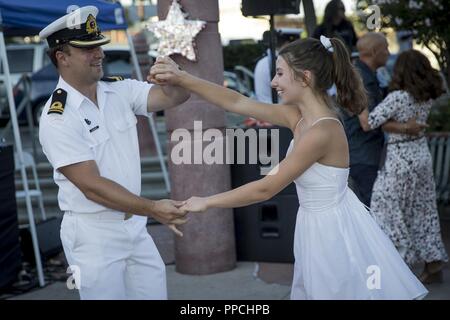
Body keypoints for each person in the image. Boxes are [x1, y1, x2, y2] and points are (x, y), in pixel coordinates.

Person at [150, 36, 428, 299]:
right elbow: (235, 101)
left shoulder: (322, 131)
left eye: (280, 73)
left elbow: (266, 188)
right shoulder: (298, 117)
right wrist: (182, 78)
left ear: (305, 77)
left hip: (332, 231)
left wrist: (206, 202)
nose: (273, 82)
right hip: (314, 224)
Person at [38, 6, 190, 300]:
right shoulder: (57, 117)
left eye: (98, 46)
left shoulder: (118, 90)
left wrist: (175, 78)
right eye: (87, 48)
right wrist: (153, 208)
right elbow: (92, 187)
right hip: (93, 234)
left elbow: (175, 98)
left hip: (134, 225)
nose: (99, 54)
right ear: (62, 57)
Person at [359, 50, 449, 284]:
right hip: (421, 154)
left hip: (400, 159)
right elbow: (405, 124)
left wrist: (357, 101)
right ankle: (433, 264)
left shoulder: (398, 96)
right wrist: (402, 127)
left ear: (400, 70)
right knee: (424, 211)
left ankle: (400, 262)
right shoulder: (426, 95)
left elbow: (369, 122)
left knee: (386, 209)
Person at [341, 32, 426, 207]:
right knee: (375, 210)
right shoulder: (361, 78)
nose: (388, 52)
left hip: (367, 153)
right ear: (373, 52)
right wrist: (406, 128)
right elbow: (367, 122)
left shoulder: (368, 74)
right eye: (385, 48)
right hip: (363, 155)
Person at [254, 29, 300, 104]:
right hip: (278, 110)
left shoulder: (263, 61)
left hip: (268, 108)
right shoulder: (279, 62)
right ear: (287, 44)